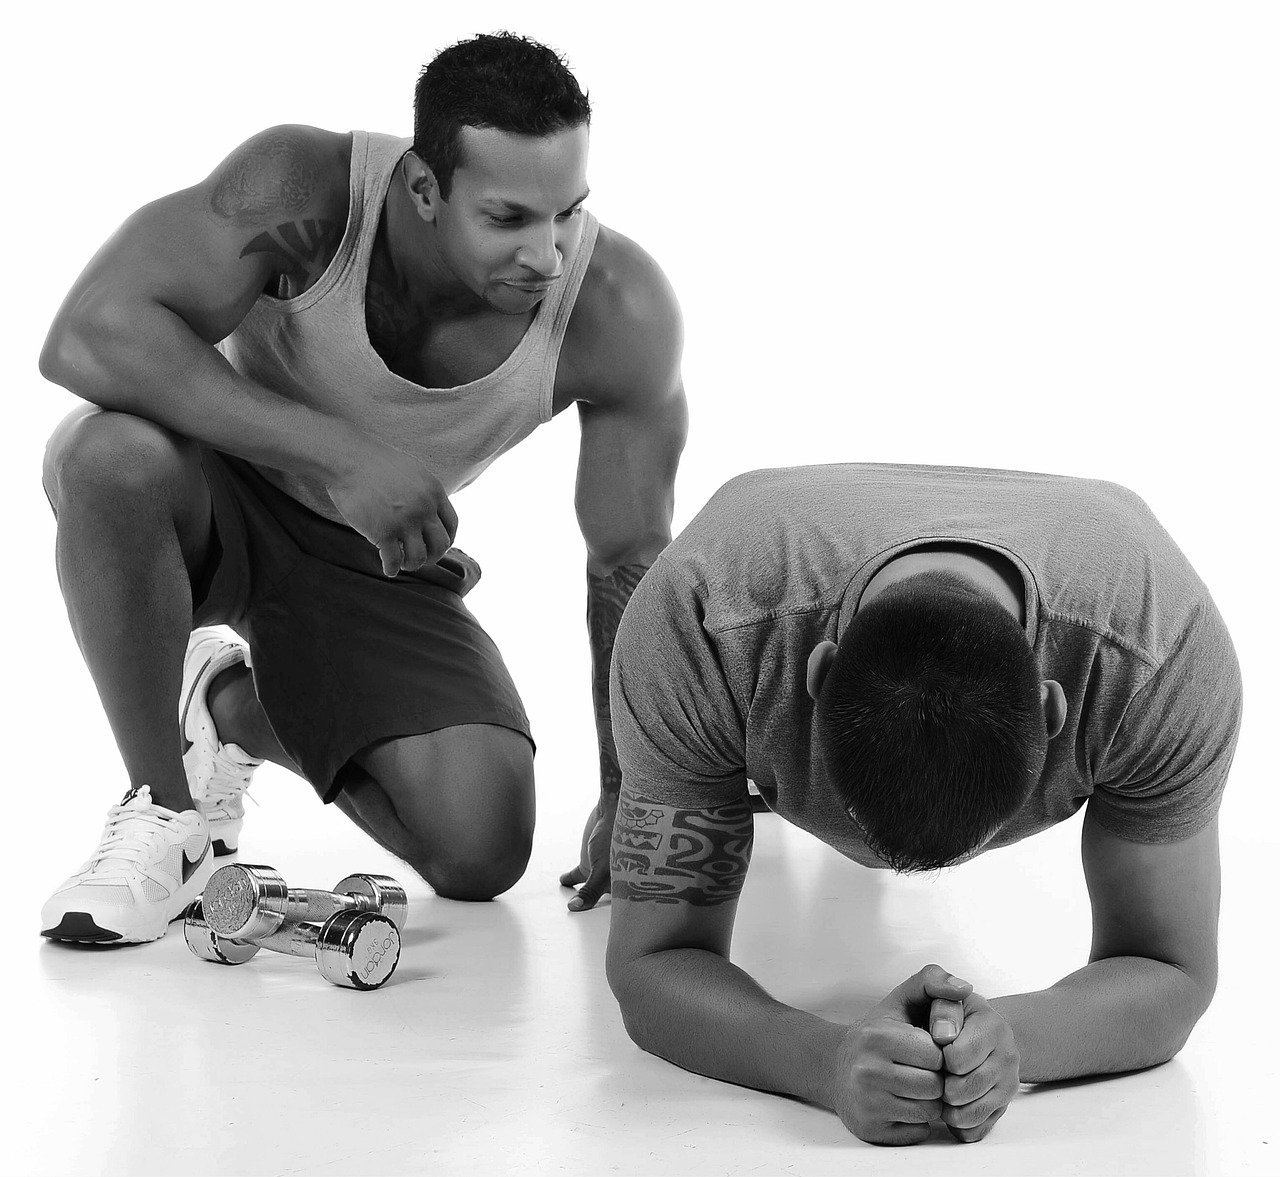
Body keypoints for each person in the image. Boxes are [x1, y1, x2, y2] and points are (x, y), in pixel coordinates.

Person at [38, 31, 686, 944]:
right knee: (106, 455)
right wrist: (343, 457)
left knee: (481, 849)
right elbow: (88, 332)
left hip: (373, 551)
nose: (546, 255)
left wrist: (630, 789)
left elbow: (628, 558)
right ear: (424, 189)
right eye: (507, 218)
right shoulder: (304, 189)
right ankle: (166, 813)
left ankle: (225, 705)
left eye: (568, 214)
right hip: (211, 496)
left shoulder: (616, 310)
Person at [603, 462, 1242, 1146]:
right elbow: (650, 965)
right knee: (664, 763)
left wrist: (1010, 1040)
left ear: (1053, 709)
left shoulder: (1161, 659)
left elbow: (1174, 968)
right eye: (853, 816)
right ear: (815, 674)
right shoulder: (698, 619)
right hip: (747, 587)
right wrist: (821, 1061)